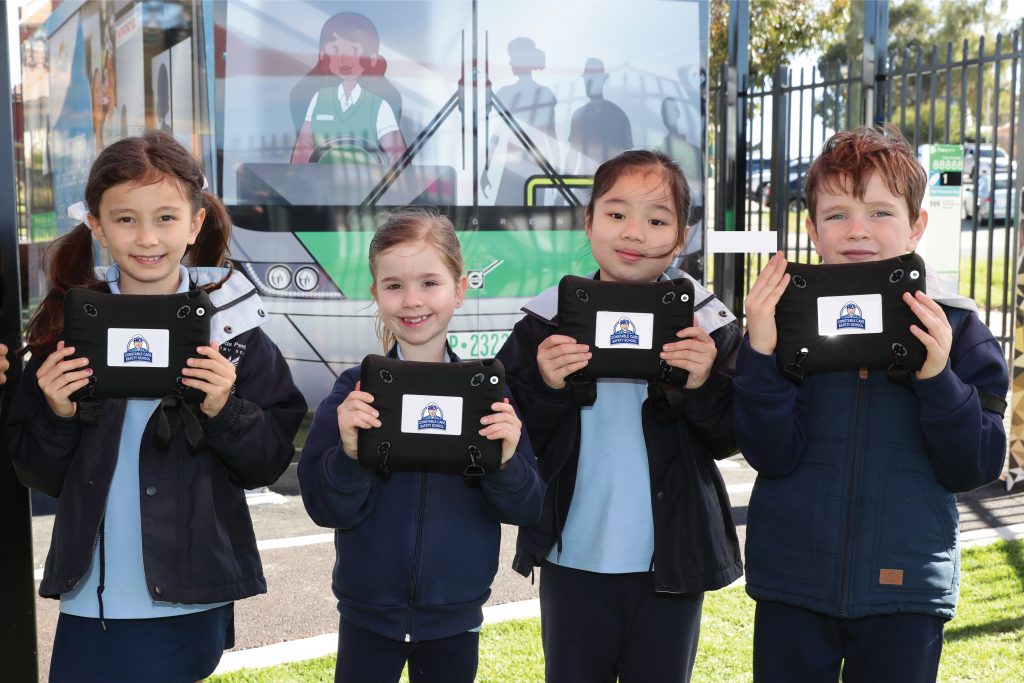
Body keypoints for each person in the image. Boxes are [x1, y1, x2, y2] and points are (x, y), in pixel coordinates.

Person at [6, 130, 307, 682]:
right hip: (90, 598)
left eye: (166, 218)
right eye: (125, 219)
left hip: (189, 595)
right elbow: (36, 471)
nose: (147, 238)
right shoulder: (64, 332)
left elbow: (267, 462)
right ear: (96, 225)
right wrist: (56, 412)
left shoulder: (234, 331)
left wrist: (225, 408)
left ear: (195, 223)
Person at [734, 125, 1008, 682]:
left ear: (916, 225)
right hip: (794, 583)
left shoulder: (957, 329)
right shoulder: (781, 326)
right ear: (812, 230)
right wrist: (759, 354)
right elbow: (770, 453)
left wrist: (937, 379)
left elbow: (975, 465)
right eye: (836, 215)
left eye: (881, 212)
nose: (857, 230)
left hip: (907, 590)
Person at [496, 149, 743, 682]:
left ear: (680, 239)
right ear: (588, 223)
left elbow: (731, 436)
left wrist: (702, 385)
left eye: (657, 219)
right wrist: (545, 384)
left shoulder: (707, 324)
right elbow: (508, 434)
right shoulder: (545, 321)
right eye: (616, 213)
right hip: (572, 554)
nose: (635, 232)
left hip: (671, 560)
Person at [297, 208, 544, 683]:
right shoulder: (354, 391)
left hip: (456, 615)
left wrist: (506, 460)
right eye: (394, 285)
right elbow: (325, 507)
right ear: (375, 293)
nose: (412, 301)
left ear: (460, 288)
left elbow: (528, 505)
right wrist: (349, 456)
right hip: (367, 615)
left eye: (429, 282)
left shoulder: (487, 393)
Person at [290, 12, 407, 165]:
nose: (344, 59)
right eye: (336, 50)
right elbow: (303, 150)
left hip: (372, 188)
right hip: (319, 187)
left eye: (353, 50)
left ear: (371, 59)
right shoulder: (319, 99)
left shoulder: (378, 106)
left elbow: (398, 157)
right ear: (323, 57)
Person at [563, 57, 632, 175]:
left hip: (608, 182)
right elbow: (572, 155)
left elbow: (627, 156)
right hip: (584, 184)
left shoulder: (618, 115)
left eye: (593, 78)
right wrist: (562, 186)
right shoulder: (579, 115)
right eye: (587, 79)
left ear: (603, 79)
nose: (588, 83)